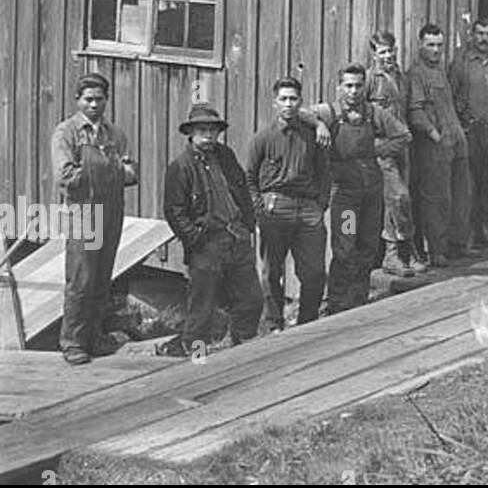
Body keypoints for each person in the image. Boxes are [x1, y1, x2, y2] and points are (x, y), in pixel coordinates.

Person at [50, 72, 138, 364]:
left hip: (112, 211)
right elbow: (66, 176)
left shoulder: (114, 134)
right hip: (84, 213)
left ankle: (94, 336)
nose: (94, 105)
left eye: (99, 99)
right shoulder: (67, 133)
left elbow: (132, 174)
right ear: (78, 101)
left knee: (102, 276)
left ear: (106, 101)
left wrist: (101, 169)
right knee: (81, 278)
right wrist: (111, 169)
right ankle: (73, 342)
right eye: (88, 99)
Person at [309, 64, 411, 314]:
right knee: (345, 248)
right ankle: (337, 303)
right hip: (346, 197)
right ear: (339, 87)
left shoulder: (374, 113)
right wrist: (319, 125)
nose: (354, 91)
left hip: (371, 194)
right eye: (349, 86)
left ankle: (359, 301)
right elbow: (301, 112)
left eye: (358, 86)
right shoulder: (330, 111)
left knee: (367, 247)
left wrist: (377, 149)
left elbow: (403, 135)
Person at [162, 104, 262, 355]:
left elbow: (242, 190)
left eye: (213, 130)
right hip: (207, 244)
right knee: (202, 306)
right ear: (191, 133)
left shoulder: (226, 156)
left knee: (250, 299)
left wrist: (247, 225)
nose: (208, 136)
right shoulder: (181, 166)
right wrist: (195, 239)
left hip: (236, 237)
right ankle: (196, 356)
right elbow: (174, 211)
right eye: (202, 130)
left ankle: (242, 348)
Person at [246, 76, 332, 329]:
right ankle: (274, 323)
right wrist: (260, 211)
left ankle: (308, 322)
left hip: (308, 209)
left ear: (301, 102)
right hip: (275, 207)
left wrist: (321, 204)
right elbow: (249, 178)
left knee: (315, 271)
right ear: (274, 103)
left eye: (293, 99)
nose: (288, 104)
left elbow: (324, 173)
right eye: (283, 99)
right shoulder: (262, 138)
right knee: (272, 271)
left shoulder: (313, 135)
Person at [407, 24, 474, 265]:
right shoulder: (417, 73)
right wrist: (435, 135)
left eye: (439, 45)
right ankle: (436, 250)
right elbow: (415, 112)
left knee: (461, 195)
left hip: (456, 141)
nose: (436, 50)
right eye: (431, 45)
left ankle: (456, 243)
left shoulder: (442, 71)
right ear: (420, 46)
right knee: (437, 198)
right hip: (434, 147)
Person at [366, 30, 420, 276]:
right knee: (396, 198)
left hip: (403, 146)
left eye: (391, 50)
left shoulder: (402, 77)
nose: (388, 56)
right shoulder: (370, 79)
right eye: (382, 52)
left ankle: (406, 252)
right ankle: (391, 255)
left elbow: (409, 109)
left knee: (404, 199)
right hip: (382, 147)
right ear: (373, 54)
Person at [450, 18, 488, 247]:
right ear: (472, 36)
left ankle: (486, 227)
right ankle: (467, 234)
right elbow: (452, 99)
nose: (484, 38)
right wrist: (461, 126)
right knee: (469, 185)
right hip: (470, 131)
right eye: (480, 33)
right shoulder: (461, 64)